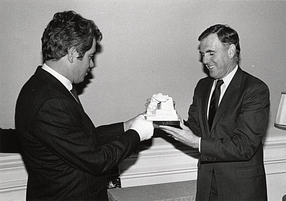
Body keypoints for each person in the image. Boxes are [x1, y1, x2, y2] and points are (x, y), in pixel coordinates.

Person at [15, 10, 154, 201]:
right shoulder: (51, 101)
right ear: (72, 53)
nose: (92, 65)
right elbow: (98, 161)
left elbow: (82, 141)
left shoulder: (43, 87)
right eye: (90, 56)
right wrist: (138, 133)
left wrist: (127, 125)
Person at [159, 24, 269, 201]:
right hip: (207, 186)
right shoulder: (202, 86)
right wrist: (170, 119)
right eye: (203, 54)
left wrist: (198, 143)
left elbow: (244, 146)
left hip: (241, 191)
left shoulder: (255, 89)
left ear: (231, 50)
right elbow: (196, 128)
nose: (204, 60)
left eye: (211, 53)